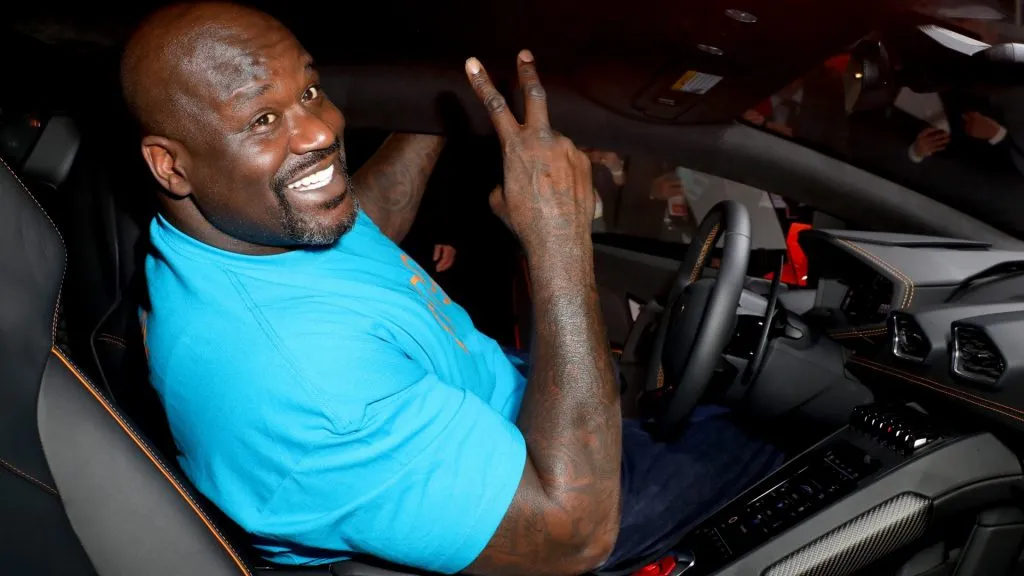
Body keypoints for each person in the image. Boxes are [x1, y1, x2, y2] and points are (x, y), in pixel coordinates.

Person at [123, 3, 782, 575]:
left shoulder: (239, 232)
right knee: (801, 448)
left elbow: (364, 224)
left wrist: (436, 113)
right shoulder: (299, 386)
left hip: (519, 430)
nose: (322, 130)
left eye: (310, 91)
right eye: (263, 120)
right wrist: (558, 240)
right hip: (559, 497)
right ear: (169, 163)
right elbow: (574, 534)